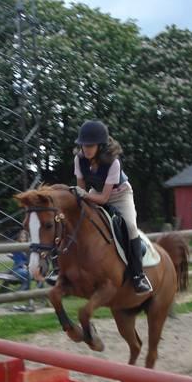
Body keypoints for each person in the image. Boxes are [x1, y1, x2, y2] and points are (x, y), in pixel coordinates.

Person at [72, 119, 152, 294]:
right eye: (83, 145)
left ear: (100, 146)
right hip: (95, 192)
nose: (86, 149)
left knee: (130, 226)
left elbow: (104, 198)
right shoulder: (79, 160)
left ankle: (138, 276)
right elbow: (81, 189)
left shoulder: (113, 163)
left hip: (120, 195)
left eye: (90, 145)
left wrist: (84, 195)